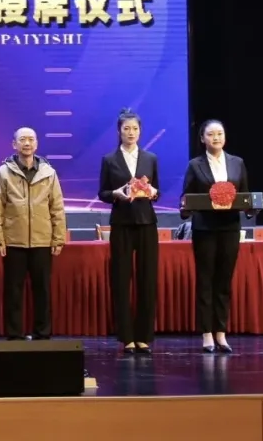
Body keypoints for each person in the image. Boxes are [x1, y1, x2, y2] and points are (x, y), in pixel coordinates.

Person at [180, 119, 250, 354]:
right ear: (203, 139)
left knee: (224, 280)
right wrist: (185, 208)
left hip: (230, 227)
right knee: (206, 280)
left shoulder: (237, 162)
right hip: (205, 229)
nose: (216, 138)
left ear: (225, 137)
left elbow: (245, 194)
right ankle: (206, 333)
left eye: (219, 133)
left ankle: (221, 332)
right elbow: (187, 196)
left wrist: (251, 208)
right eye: (210, 134)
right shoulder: (195, 165)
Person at [0, 127, 66, 341]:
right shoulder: (3, 172)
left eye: (31, 139)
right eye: (22, 139)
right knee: (13, 291)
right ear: (14, 144)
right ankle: (15, 334)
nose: (27, 143)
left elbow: (57, 207)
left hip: (42, 240)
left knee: (42, 290)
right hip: (14, 241)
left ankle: (42, 333)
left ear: (37, 144)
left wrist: (58, 238)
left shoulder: (49, 173)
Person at [98, 109, 160, 354]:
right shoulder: (109, 160)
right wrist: (116, 194)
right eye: (126, 129)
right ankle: (127, 337)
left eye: (135, 128)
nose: (131, 133)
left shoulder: (150, 158)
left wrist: (153, 192)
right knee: (121, 279)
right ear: (119, 131)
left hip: (146, 223)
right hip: (122, 223)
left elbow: (157, 192)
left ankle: (144, 336)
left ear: (140, 131)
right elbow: (103, 193)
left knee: (147, 279)